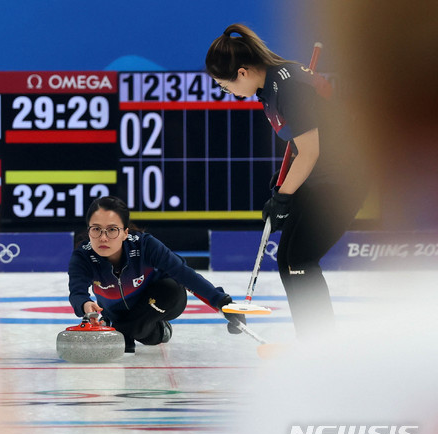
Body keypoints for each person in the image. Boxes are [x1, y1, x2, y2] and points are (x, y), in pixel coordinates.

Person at [205, 24, 368, 341]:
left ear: (242, 72)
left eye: (226, 87)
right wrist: (284, 187)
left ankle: (321, 345)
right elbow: (300, 144)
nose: (229, 93)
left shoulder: (288, 86)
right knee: (288, 260)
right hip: (320, 175)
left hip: (344, 179)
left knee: (301, 260)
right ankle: (312, 341)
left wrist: (283, 197)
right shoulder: (267, 89)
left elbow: (310, 151)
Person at [68, 196, 244, 353]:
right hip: (118, 314)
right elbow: (77, 293)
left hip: (161, 299)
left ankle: (124, 331)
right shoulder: (83, 256)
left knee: (170, 288)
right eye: (96, 229)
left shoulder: (145, 245)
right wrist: (85, 304)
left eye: (112, 229)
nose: (103, 238)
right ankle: (134, 331)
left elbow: (184, 274)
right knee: (138, 333)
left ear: (125, 233)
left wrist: (223, 303)